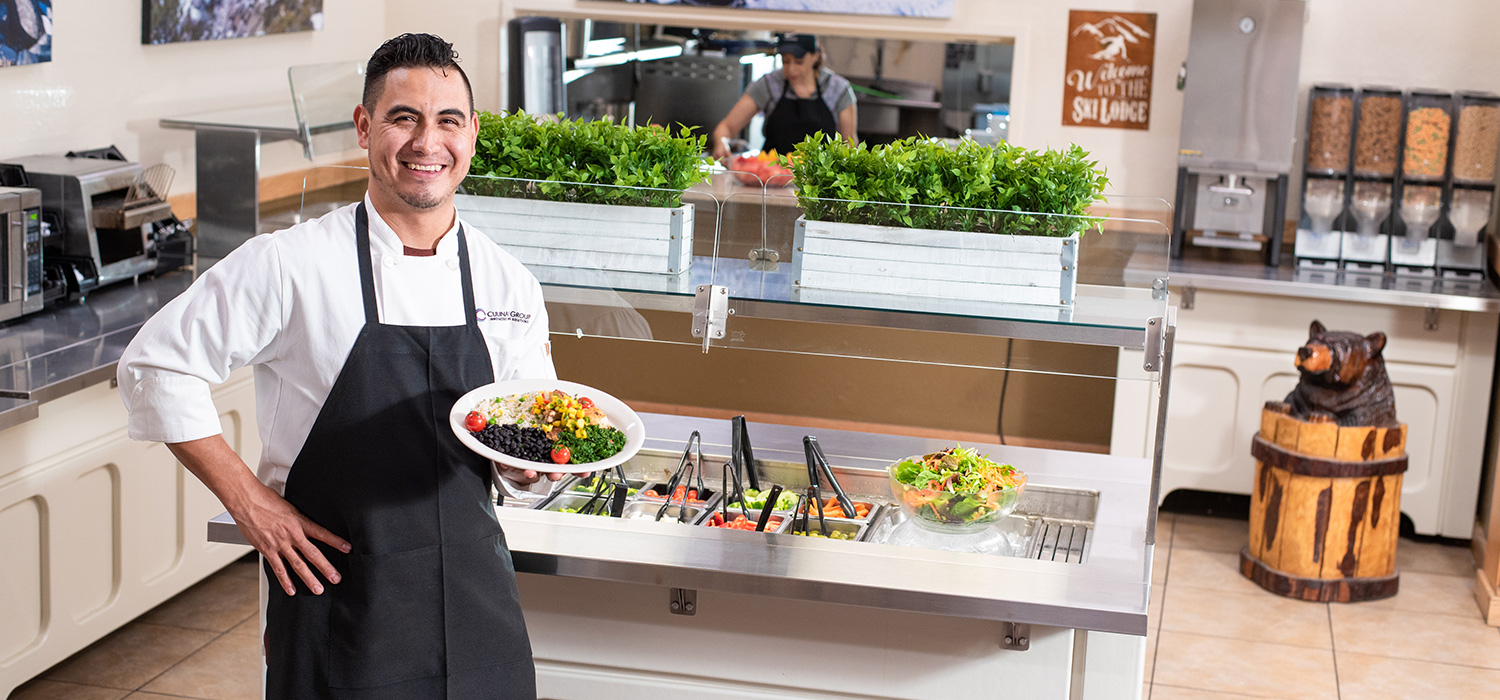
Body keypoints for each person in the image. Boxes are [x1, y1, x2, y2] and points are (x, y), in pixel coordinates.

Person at [117, 33, 562, 699]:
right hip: (340, 606)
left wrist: (527, 467)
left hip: (476, 604)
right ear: (364, 126)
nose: (425, 143)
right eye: (403, 118)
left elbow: (528, 459)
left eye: (446, 121)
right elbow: (155, 366)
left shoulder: (509, 286)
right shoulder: (290, 264)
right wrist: (251, 504)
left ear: (472, 133)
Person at [710, 33, 857, 159]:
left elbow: (849, 144)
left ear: (815, 57)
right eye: (785, 61)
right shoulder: (768, 84)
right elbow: (727, 127)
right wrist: (721, 143)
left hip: (819, 182)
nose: (791, 69)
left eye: (799, 62)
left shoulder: (837, 89)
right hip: (771, 178)